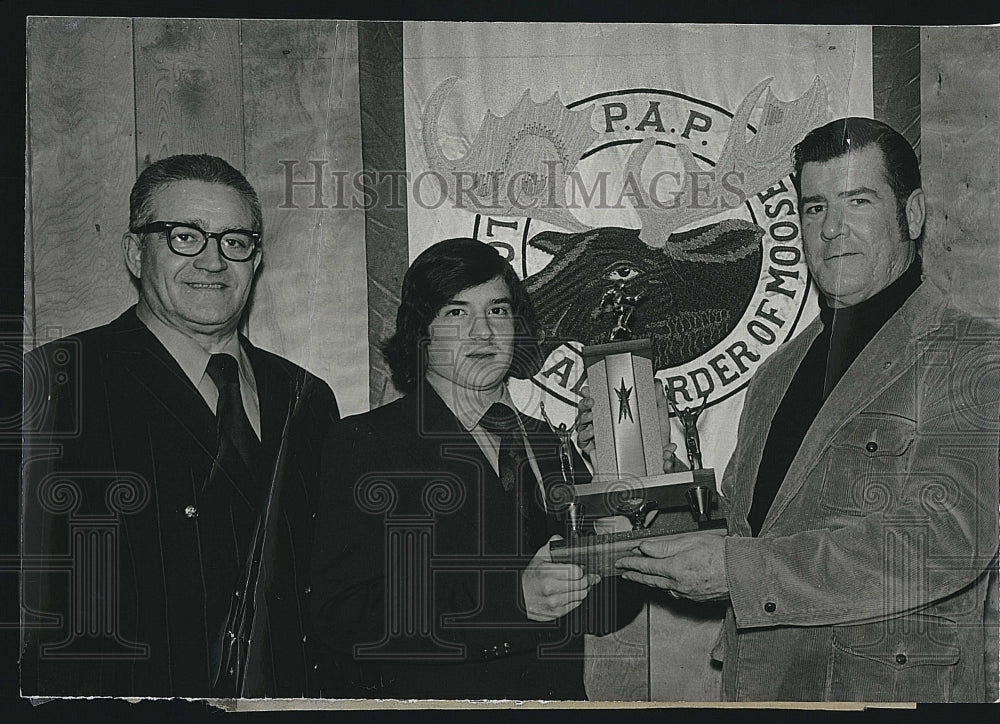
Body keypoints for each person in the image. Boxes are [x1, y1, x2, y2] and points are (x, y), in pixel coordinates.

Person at [584, 118, 999, 701]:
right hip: (762, 686)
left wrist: (739, 571)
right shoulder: (780, 370)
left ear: (914, 214)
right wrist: (648, 461)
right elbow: (743, 534)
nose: (832, 229)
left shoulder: (972, 352)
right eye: (814, 207)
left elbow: (945, 540)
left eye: (858, 201)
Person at [21, 155, 340, 698]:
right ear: (134, 251)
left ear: (256, 258)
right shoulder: (53, 386)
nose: (213, 261)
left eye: (235, 241)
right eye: (184, 237)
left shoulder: (305, 398)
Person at [310, 238, 639, 700]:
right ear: (419, 332)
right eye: (456, 313)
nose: (483, 333)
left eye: (498, 311)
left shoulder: (548, 442)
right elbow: (344, 614)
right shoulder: (367, 443)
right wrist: (510, 603)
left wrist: (618, 516)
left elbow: (610, 611)